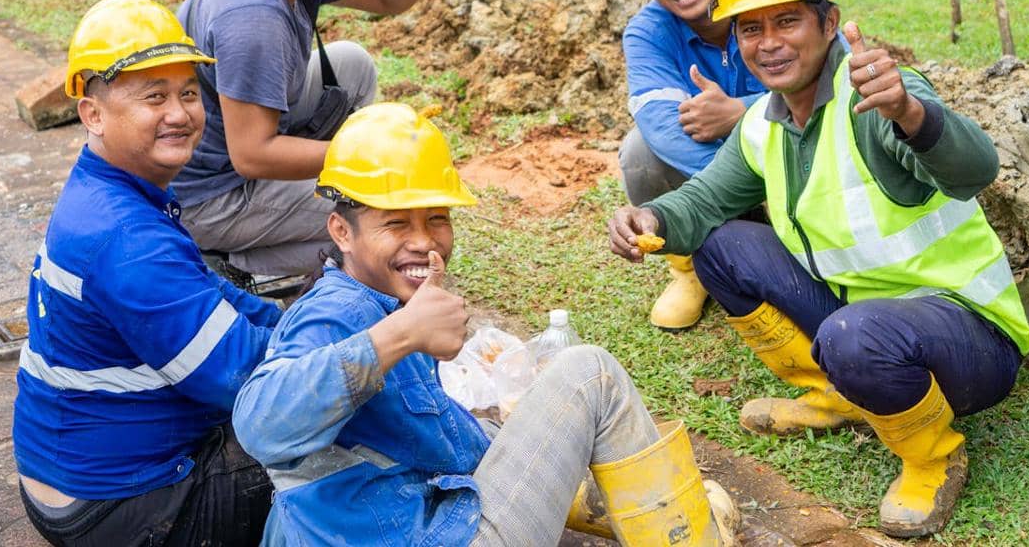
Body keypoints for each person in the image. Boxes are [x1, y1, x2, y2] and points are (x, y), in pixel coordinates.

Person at [608, 0, 1029, 538]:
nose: (769, 44)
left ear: (829, 22)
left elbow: (977, 170)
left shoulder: (877, 94)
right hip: (862, 320)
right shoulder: (762, 120)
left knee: (853, 335)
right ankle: (840, 395)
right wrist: (651, 218)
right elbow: (703, 202)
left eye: (788, 21)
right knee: (721, 247)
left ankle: (933, 456)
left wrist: (912, 114)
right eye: (751, 29)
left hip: (970, 336)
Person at [232, 103, 739, 547]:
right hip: (429, 534)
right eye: (395, 223)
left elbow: (438, 438)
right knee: (590, 375)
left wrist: (522, 433)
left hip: (393, 522)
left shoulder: (380, 299)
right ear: (341, 230)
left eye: (436, 219)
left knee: (503, 425)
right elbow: (260, 426)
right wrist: (404, 333)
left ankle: (632, 507)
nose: (422, 241)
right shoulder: (336, 314)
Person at [12, 0, 283, 547]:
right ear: (92, 113)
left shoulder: (115, 192)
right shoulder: (126, 236)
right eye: (154, 97)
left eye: (187, 93)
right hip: (116, 507)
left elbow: (213, 294)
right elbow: (243, 379)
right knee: (338, 452)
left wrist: (295, 317)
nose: (180, 113)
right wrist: (364, 347)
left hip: (74, 477)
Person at [173, 0, 437, 281]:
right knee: (377, 221)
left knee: (352, 66)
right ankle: (229, 264)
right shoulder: (252, 15)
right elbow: (253, 155)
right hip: (209, 196)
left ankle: (304, 211)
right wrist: (372, 153)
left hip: (227, 143)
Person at [618, 0, 766, 330]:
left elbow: (831, 87)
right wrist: (746, 184)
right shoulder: (647, 35)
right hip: (730, 181)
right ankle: (689, 267)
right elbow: (663, 128)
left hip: (797, 175)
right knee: (640, 152)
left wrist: (741, 113)